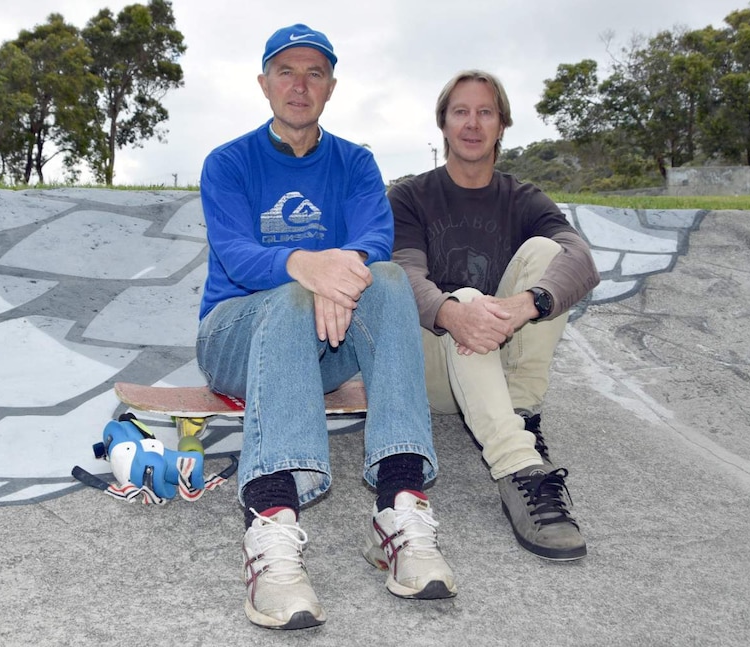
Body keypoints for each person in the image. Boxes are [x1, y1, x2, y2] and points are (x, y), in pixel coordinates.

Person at [196, 24, 456, 630]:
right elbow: (235, 253)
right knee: (292, 298)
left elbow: (374, 239)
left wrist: (340, 275)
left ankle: (400, 508)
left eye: (314, 72)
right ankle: (271, 528)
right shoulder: (228, 162)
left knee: (388, 278)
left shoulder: (355, 161)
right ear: (264, 84)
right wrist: (305, 267)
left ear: (331, 87)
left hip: (325, 339)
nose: (299, 84)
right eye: (286, 71)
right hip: (234, 334)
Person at [389, 70, 600, 562]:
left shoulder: (523, 198)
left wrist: (530, 301)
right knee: (463, 297)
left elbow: (581, 258)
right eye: (460, 111)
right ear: (442, 123)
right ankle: (519, 468)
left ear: (502, 124)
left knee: (550, 252)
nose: (472, 123)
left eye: (485, 112)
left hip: (498, 363)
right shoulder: (410, 197)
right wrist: (451, 311)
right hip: (433, 370)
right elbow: (403, 274)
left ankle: (520, 414)